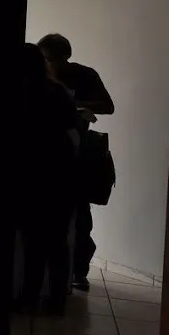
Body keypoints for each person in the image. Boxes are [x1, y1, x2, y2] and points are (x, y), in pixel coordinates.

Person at [37, 34, 115, 292]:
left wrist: (72, 104)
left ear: (64, 58)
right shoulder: (38, 75)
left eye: (52, 60)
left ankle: (78, 272)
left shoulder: (84, 75)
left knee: (79, 217)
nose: (50, 65)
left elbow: (108, 106)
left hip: (76, 154)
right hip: (44, 153)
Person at [15, 43, 80, 315]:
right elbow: (72, 124)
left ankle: (29, 297)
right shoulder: (58, 92)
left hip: (31, 175)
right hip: (61, 173)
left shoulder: (21, 93)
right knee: (57, 242)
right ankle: (56, 300)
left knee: (33, 242)